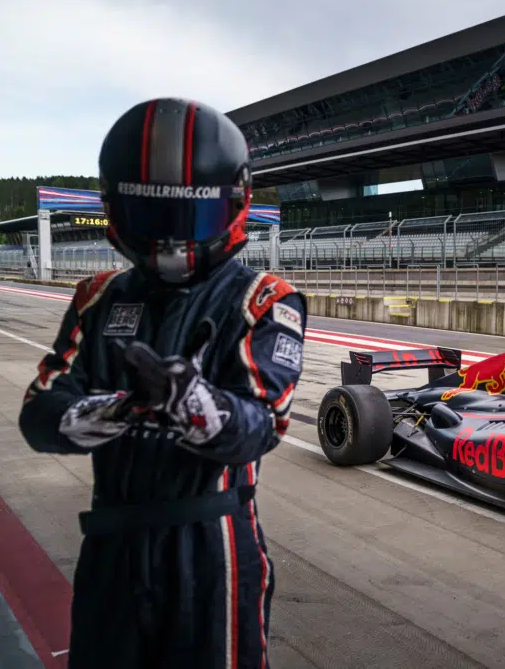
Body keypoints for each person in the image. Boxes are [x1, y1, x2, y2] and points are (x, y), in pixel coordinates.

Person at [18, 98, 307, 669]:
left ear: (235, 202)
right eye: (155, 221)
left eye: (190, 221)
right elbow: (39, 413)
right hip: (111, 544)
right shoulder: (98, 297)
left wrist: (190, 403)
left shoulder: (265, 300)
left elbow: (261, 426)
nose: (172, 244)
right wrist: (120, 411)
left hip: (213, 545)